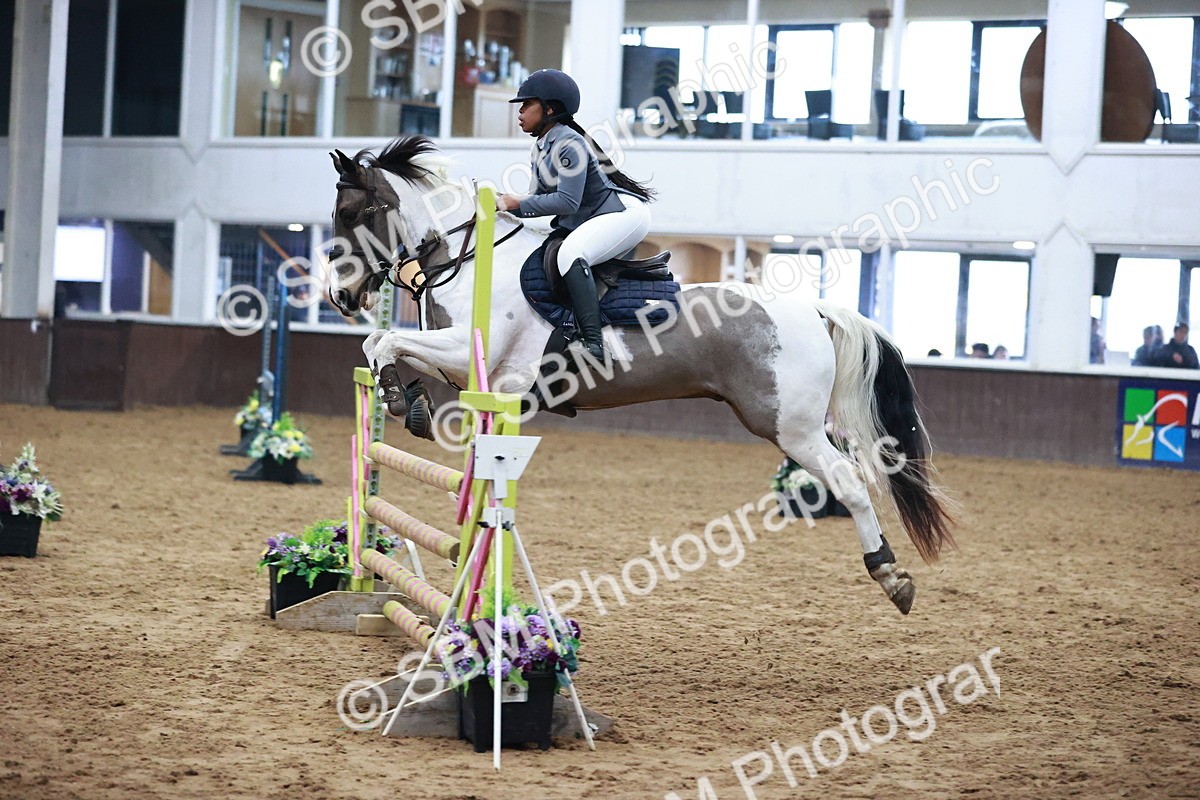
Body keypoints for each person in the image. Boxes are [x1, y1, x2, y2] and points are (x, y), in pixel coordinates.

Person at [496, 69, 655, 362]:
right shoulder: (541, 147)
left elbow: (566, 202)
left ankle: (593, 342)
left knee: (571, 254)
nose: (519, 111)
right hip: (597, 216)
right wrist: (505, 206)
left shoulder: (569, 143)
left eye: (526, 104)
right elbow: (538, 200)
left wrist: (516, 202)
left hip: (625, 215)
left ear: (549, 109)